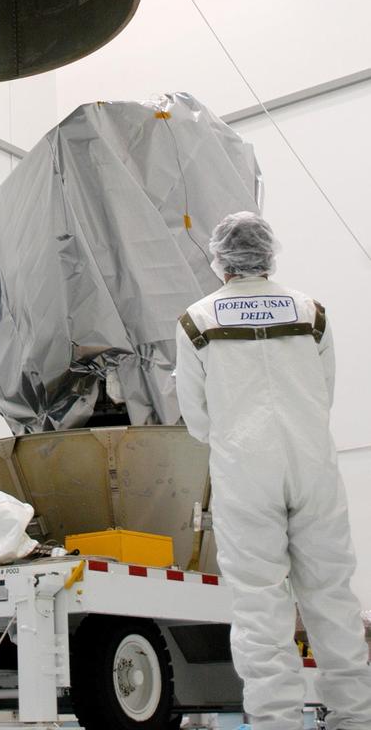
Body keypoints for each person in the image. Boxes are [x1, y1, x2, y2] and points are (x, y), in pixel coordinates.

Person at [175, 211, 371, 730]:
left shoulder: (197, 320)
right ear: (269, 253)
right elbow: (322, 395)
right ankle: (355, 719)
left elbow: (196, 418)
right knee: (331, 597)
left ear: (220, 261)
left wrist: (239, 439)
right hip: (313, 465)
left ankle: (276, 722)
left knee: (261, 606)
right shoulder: (311, 312)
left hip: (245, 470)